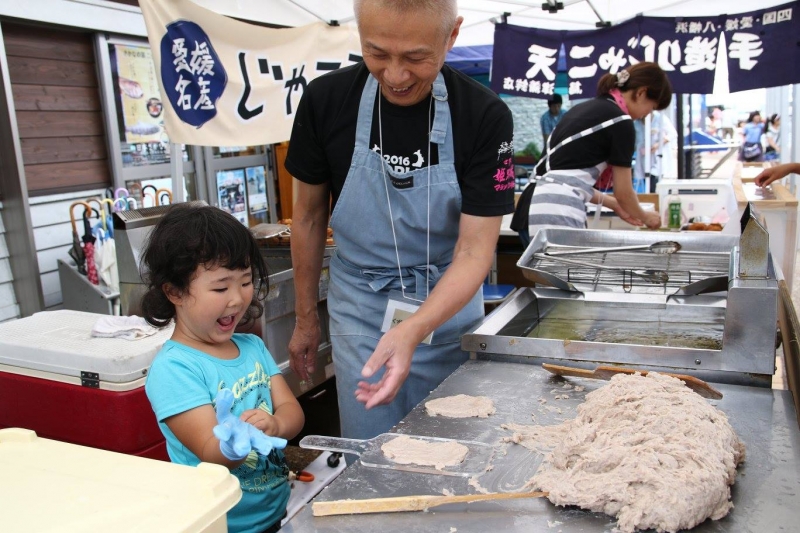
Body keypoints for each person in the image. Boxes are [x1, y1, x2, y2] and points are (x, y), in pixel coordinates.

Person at [285, 0, 514, 442]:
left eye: (415, 57)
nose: (394, 75)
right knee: (369, 446)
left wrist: (415, 328)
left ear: (451, 36)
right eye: (377, 53)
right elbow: (309, 218)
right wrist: (305, 318)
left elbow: (473, 251)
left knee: (451, 443)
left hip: (446, 302)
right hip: (360, 306)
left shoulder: (484, 115)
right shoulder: (325, 101)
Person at [142, 203, 304, 533]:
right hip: (222, 524)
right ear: (174, 292)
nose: (237, 299)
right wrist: (232, 444)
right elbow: (208, 449)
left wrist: (276, 424)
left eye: (245, 281)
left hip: (277, 511)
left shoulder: (252, 347)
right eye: (220, 287)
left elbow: (293, 412)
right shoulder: (174, 369)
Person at [523, 62, 669, 237]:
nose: (647, 114)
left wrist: (614, 205)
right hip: (560, 208)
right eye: (651, 107)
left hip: (532, 204)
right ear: (641, 93)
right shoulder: (621, 121)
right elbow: (623, 192)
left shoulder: (582, 109)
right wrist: (646, 217)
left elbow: (571, 179)